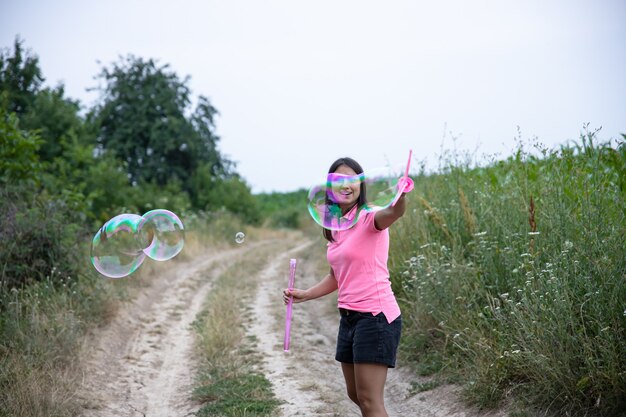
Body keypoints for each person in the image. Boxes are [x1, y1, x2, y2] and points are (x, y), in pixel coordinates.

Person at [283, 157, 412, 417]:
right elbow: (336, 276)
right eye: (339, 181)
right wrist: (306, 295)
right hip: (349, 317)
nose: (346, 186)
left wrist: (401, 193)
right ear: (330, 187)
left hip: (375, 316)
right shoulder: (336, 227)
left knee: (369, 399)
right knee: (355, 395)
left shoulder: (368, 219)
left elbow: (394, 212)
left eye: (353, 181)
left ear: (360, 186)